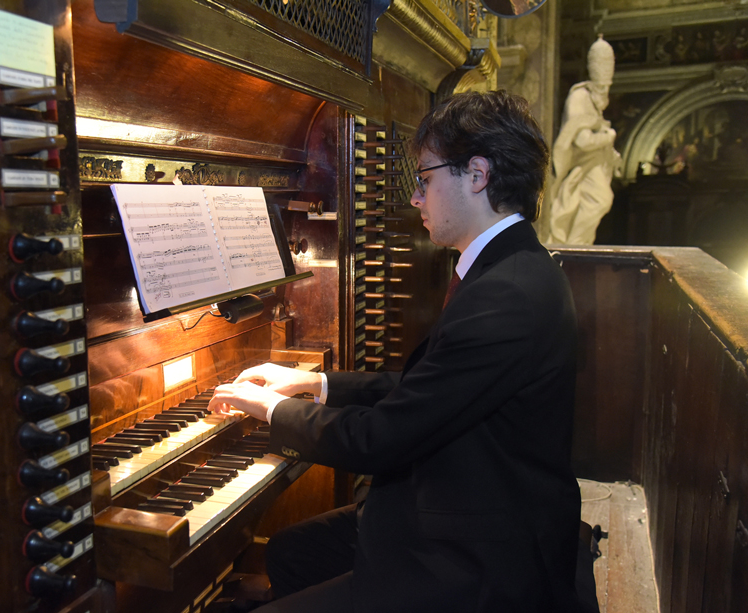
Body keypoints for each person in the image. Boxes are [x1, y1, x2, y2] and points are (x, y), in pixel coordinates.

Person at [209, 90, 583, 613]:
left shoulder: (508, 293)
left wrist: (271, 410)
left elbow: (378, 441)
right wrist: (314, 384)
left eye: (425, 179)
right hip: (467, 509)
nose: (415, 197)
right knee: (293, 551)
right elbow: (434, 384)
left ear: (477, 174)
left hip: (478, 560)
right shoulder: (511, 266)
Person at [544, 34, 622, 245]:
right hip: (580, 163)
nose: (604, 93)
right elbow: (582, 141)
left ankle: (578, 244)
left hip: (593, 164)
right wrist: (609, 137)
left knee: (598, 201)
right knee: (601, 200)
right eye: (602, 88)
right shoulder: (579, 97)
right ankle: (574, 244)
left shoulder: (597, 101)